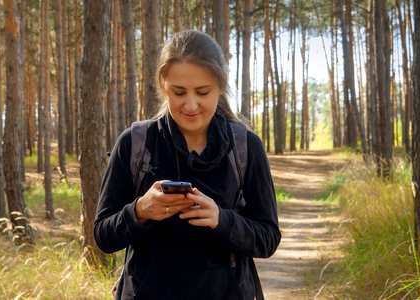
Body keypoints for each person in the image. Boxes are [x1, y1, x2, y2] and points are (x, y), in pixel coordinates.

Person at [94, 30, 281, 299]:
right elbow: (103, 235)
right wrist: (140, 210)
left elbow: (268, 239)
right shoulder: (136, 143)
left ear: (222, 84)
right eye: (178, 92)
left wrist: (222, 220)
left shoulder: (245, 146)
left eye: (203, 92)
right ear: (162, 85)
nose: (191, 105)